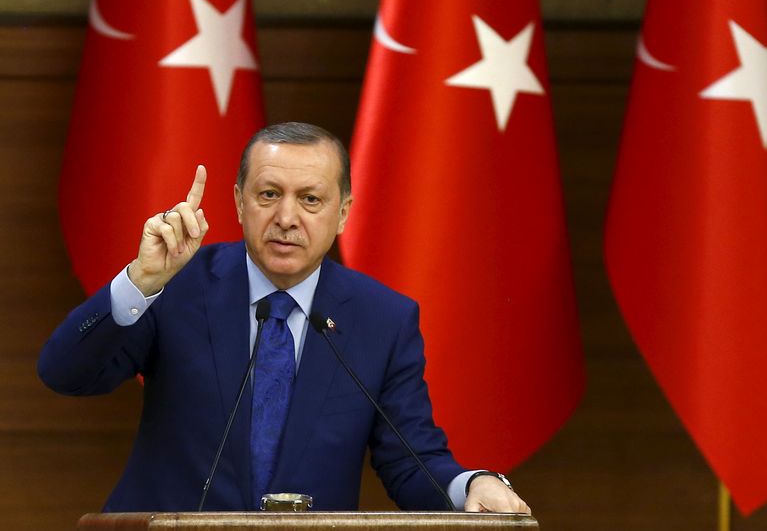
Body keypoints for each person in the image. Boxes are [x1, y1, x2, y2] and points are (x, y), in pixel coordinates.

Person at [38, 122, 530, 514]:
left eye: (310, 199)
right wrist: (141, 281)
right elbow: (66, 374)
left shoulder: (383, 319)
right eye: (269, 194)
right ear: (238, 202)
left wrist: (473, 484)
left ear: (343, 214)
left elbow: (410, 458)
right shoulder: (176, 285)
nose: (287, 218)